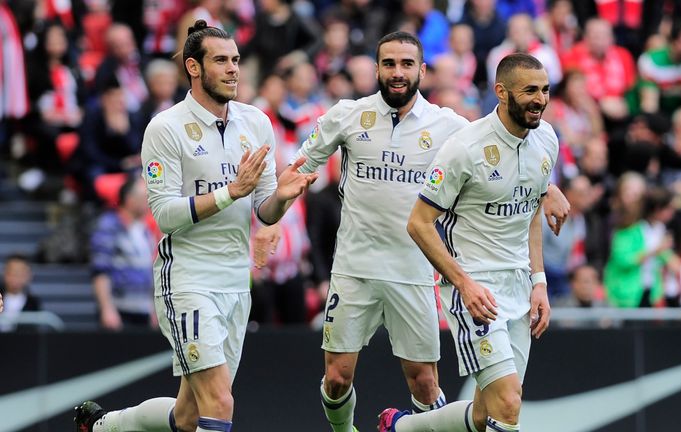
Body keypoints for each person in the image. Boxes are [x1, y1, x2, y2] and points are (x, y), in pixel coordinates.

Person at [294, 33, 568, 432]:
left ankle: (401, 428)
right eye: (389, 63)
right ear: (376, 69)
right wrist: (271, 214)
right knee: (337, 378)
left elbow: (508, 158)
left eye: (407, 64)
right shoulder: (350, 115)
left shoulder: (453, 127)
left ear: (422, 70)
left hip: (419, 272)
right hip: (360, 266)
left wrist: (547, 191)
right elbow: (299, 168)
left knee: (447, 392)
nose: (398, 72)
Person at [74, 20, 318, 432]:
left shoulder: (256, 122)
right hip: (187, 279)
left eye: (236, 60)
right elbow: (165, 214)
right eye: (220, 60)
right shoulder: (165, 127)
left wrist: (284, 197)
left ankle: (104, 427)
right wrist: (231, 191)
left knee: (190, 415)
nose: (233, 69)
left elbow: (264, 211)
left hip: (236, 283)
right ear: (193, 66)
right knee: (220, 401)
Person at [379, 53, 558, 432]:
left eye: (544, 89)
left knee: (486, 411)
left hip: (519, 287)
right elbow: (419, 223)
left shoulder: (546, 139)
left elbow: (531, 215)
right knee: (508, 403)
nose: (540, 99)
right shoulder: (465, 148)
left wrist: (539, 281)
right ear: (501, 92)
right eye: (529, 90)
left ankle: (402, 429)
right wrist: (463, 284)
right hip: (474, 287)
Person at [90, 175, 156, 330]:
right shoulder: (109, 226)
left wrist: (154, 308)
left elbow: (152, 271)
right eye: (144, 197)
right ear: (129, 199)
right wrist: (107, 308)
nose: (148, 202)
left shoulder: (146, 230)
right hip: (119, 311)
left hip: (143, 310)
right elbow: (100, 271)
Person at [0, 254, 41, 332]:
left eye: (20, 273)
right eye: (11, 272)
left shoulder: (33, 303)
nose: (15, 277)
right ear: (5, 274)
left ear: (28, 275)